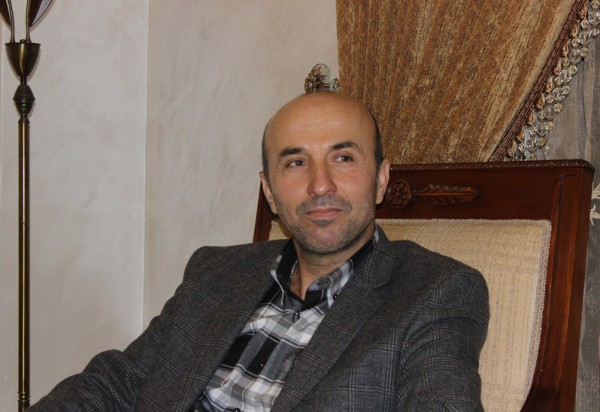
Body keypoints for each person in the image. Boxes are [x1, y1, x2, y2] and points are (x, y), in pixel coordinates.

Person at [30, 92, 489, 411]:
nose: (320, 184)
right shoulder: (216, 271)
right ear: (269, 191)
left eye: (343, 158)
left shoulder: (435, 292)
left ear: (382, 179)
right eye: (296, 162)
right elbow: (120, 380)